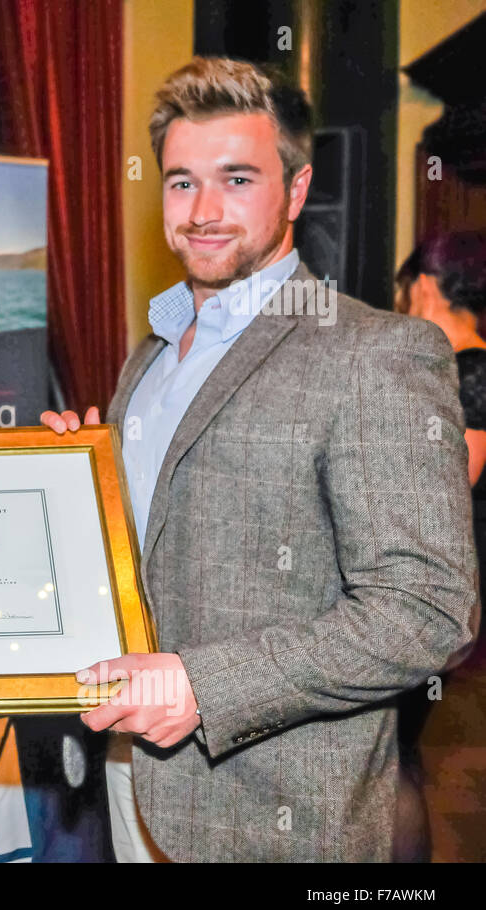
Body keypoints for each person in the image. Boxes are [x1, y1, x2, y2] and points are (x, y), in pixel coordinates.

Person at [42, 57, 477, 862]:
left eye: (236, 178)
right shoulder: (150, 356)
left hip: (272, 817)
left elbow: (429, 610)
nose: (202, 211)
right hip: (125, 777)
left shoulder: (373, 353)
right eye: (180, 182)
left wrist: (205, 688)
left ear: (297, 190)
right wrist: (72, 485)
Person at [391, 229, 486, 862]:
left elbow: (451, 483)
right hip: (438, 584)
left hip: (432, 590)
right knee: (394, 752)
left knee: (388, 756)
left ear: (423, 287)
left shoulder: (468, 369)